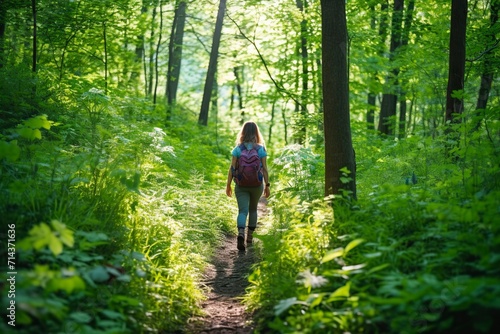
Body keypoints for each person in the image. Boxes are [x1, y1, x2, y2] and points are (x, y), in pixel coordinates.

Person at [226, 121, 270, 251]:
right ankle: (249, 239)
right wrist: (267, 185)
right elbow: (265, 169)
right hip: (256, 185)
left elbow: (232, 168)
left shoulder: (238, 149)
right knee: (253, 210)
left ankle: (240, 234)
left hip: (241, 184)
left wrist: (228, 184)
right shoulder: (261, 149)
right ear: (256, 132)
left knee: (242, 211)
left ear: (243, 132)